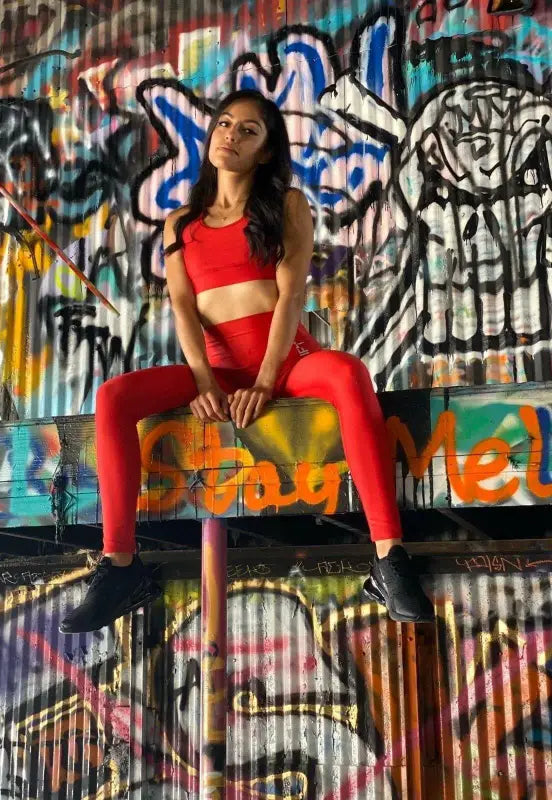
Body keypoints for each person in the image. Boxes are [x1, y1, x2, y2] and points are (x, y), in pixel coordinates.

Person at [60, 89, 434, 634]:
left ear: (264, 151)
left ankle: (388, 558)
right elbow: (183, 308)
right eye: (224, 124)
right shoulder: (180, 223)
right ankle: (119, 568)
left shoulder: (286, 206)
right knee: (113, 398)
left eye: (248, 131)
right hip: (215, 366)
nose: (230, 136)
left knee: (349, 373)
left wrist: (264, 380)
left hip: (283, 360)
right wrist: (205, 381)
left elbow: (290, 298)